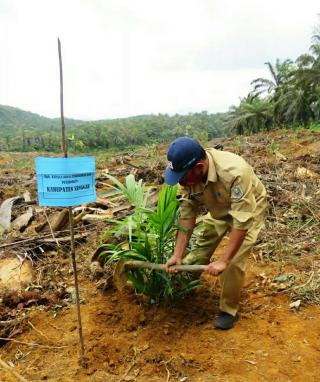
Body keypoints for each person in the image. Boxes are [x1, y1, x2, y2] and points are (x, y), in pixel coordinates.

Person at [164, 136, 267, 330]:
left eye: (183, 177)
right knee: (204, 241)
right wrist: (177, 255)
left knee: (233, 262)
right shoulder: (186, 177)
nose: (181, 182)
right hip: (218, 207)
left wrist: (223, 260)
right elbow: (187, 216)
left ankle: (229, 310)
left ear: (199, 167)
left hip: (249, 207)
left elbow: (241, 221)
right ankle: (187, 283)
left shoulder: (235, 172)